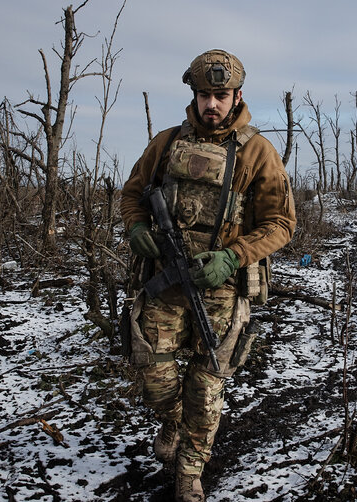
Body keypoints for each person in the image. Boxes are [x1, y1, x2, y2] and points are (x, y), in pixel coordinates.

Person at [120, 49, 296, 502]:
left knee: (206, 385)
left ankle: (190, 471)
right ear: (195, 95)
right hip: (165, 282)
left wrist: (233, 257)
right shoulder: (166, 143)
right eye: (204, 95)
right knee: (154, 379)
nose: (211, 104)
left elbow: (281, 223)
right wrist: (137, 227)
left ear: (237, 95)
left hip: (220, 289)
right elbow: (133, 193)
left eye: (221, 95)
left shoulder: (258, 151)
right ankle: (172, 420)